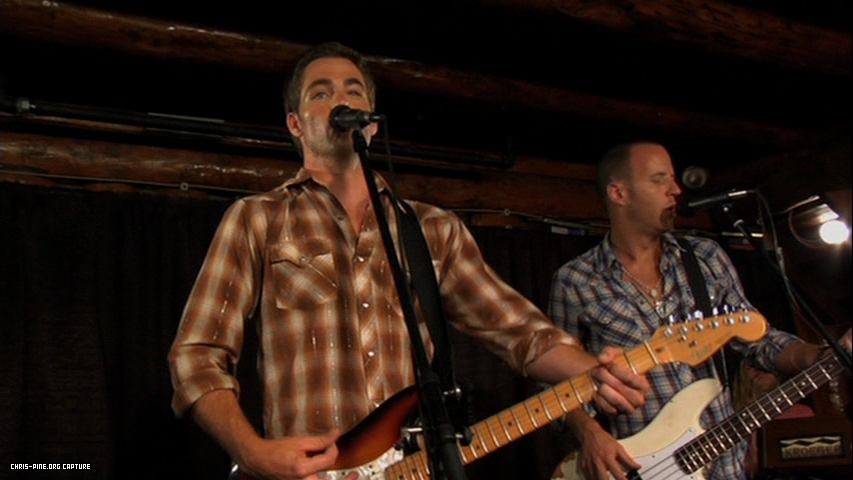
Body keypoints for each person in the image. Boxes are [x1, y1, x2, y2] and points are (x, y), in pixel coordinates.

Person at [168, 42, 649, 480]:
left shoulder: (431, 229)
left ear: (372, 123)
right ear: (296, 123)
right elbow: (196, 355)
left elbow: (519, 332)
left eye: (353, 90)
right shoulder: (258, 219)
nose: (341, 100)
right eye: (321, 93)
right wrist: (251, 451)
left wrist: (593, 370)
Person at [548, 141, 850, 480]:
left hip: (724, 465)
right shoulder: (576, 281)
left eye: (673, 178)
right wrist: (590, 433)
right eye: (659, 179)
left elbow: (760, 342)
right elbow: (556, 383)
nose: (676, 190)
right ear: (619, 193)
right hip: (642, 468)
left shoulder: (705, 259)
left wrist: (823, 355)